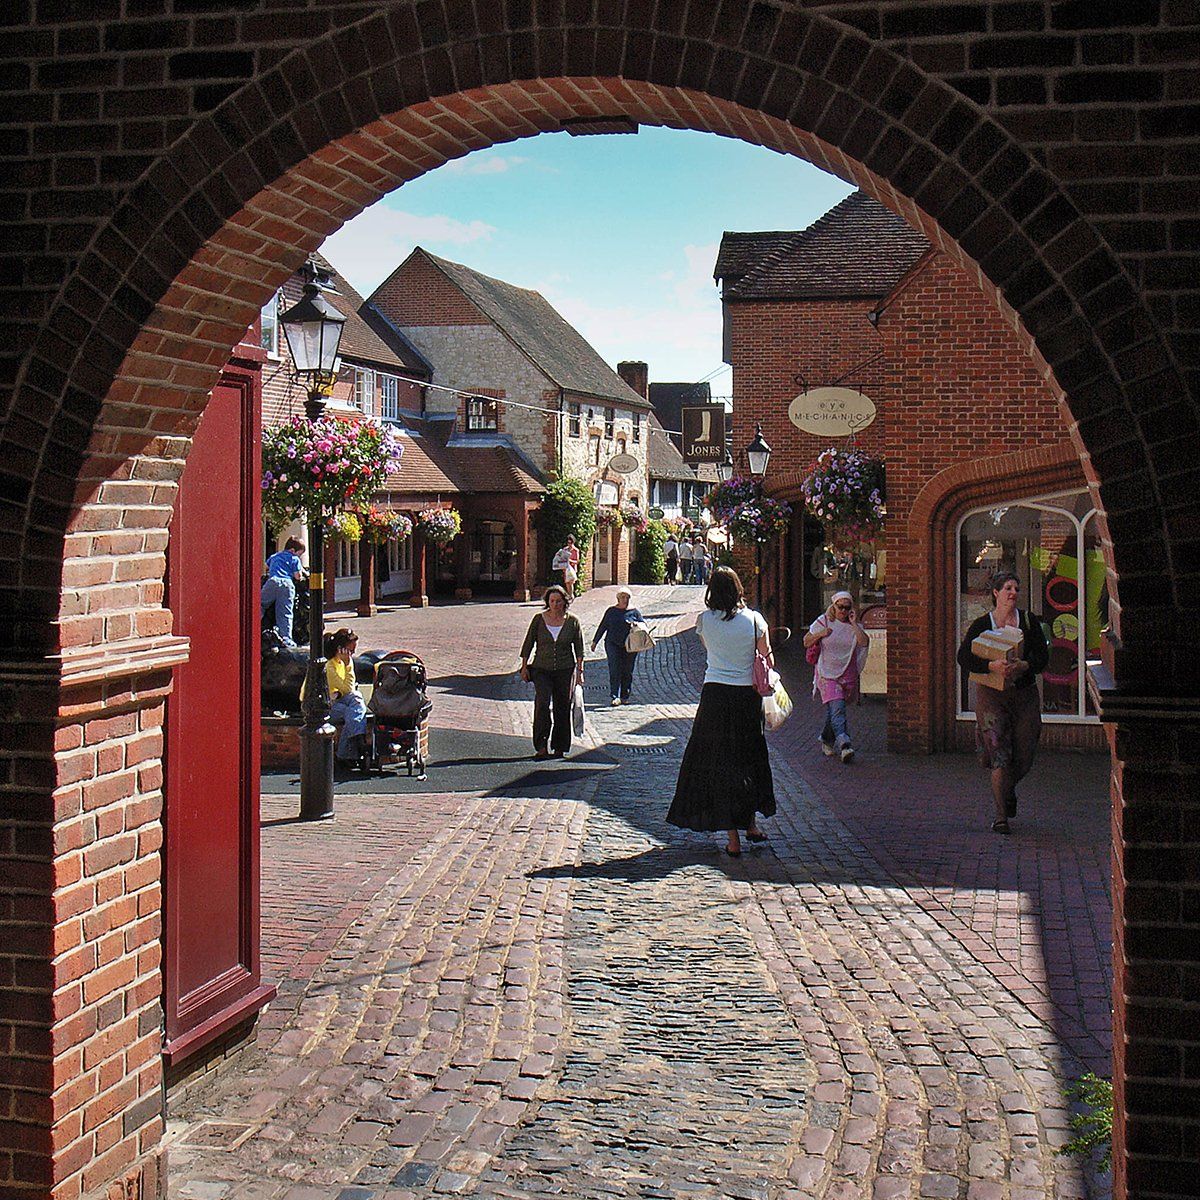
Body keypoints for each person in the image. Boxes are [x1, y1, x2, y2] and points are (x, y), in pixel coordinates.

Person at [668, 566, 776, 857]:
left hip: (714, 695)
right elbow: (767, 659)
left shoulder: (704, 621)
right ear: (739, 588)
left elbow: (710, 650)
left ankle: (733, 839)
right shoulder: (755, 621)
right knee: (749, 758)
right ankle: (750, 824)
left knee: (719, 762)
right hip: (746, 697)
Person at [956, 571, 1049, 834]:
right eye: (1008, 588)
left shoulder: (1029, 622)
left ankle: (1007, 788)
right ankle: (1000, 816)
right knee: (999, 755)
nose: (1013, 593)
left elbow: (1043, 657)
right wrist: (990, 665)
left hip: (1024, 695)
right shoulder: (982, 624)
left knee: (1025, 754)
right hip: (991, 696)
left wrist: (1024, 665)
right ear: (996, 593)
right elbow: (963, 657)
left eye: (1016, 588)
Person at [519, 585, 585, 759]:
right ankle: (541, 744)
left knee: (562, 706)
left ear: (565, 602)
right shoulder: (538, 619)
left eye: (558, 601)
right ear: (547, 602)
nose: (555, 604)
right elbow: (528, 643)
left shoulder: (572, 622)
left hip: (565, 669)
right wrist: (524, 666)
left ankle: (560, 746)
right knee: (542, 704)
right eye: (552, 601)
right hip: (542, 669)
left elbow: (579, 649)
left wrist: (580, 671)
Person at [804, 590, 870, 764]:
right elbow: (806, 640)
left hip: (846, 673)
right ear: (833, 606)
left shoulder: (854, 626)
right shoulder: (823, 621)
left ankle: (826, 738)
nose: (843, 611)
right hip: (827, 673)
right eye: (840, 607)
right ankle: (844, 743)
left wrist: (854, 623)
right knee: (838, 708)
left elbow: (864, 642)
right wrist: (821, 634)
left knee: (835, 710)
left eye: (847, 608)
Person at [591, 587, 644, 706]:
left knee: (627, 670)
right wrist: (595, 641)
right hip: (612, 643)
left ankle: (625, 696)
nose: (625, 600)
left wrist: (636, 625)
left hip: (630, 646)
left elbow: (643, 627)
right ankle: (615, 695)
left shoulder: (634, 612)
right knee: (614, 668)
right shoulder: (611, 611)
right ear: (618, 599)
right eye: (622, 597)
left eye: (627, 598)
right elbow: (603, 626)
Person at [326, 627, 369, 764]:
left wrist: (346, 663)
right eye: (350, 650)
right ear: (340, 649)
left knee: (353, 710)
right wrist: (348, 664)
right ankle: (357, 740)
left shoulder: (342, 663)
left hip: (342, 702)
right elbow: (347, 688)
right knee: (355, 703)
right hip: (328, 707)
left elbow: (347, 691)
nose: (353, 654)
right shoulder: (330, 666)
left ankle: (345, 754)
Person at [261, 537, 306, 645]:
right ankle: (286, 639)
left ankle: (254, 624)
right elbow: (298, 576)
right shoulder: (294, 559)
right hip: (286, 584)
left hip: (272, 581)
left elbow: (265, 567)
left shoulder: (275, 556)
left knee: (260, 603)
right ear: (292, 551)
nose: (298, 556)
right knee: (285, 612)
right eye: (299, 554)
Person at [552, 534, 581, 600]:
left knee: (570, 582)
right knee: (567, 583)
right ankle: (570, 594)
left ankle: (571, 595)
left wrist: (570, 560)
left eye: (570, 543)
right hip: (566, 569)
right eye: (568, 543)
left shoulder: (575, 550)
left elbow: (577, 561)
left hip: (572, 569)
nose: (569, 544)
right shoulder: (565, 549)